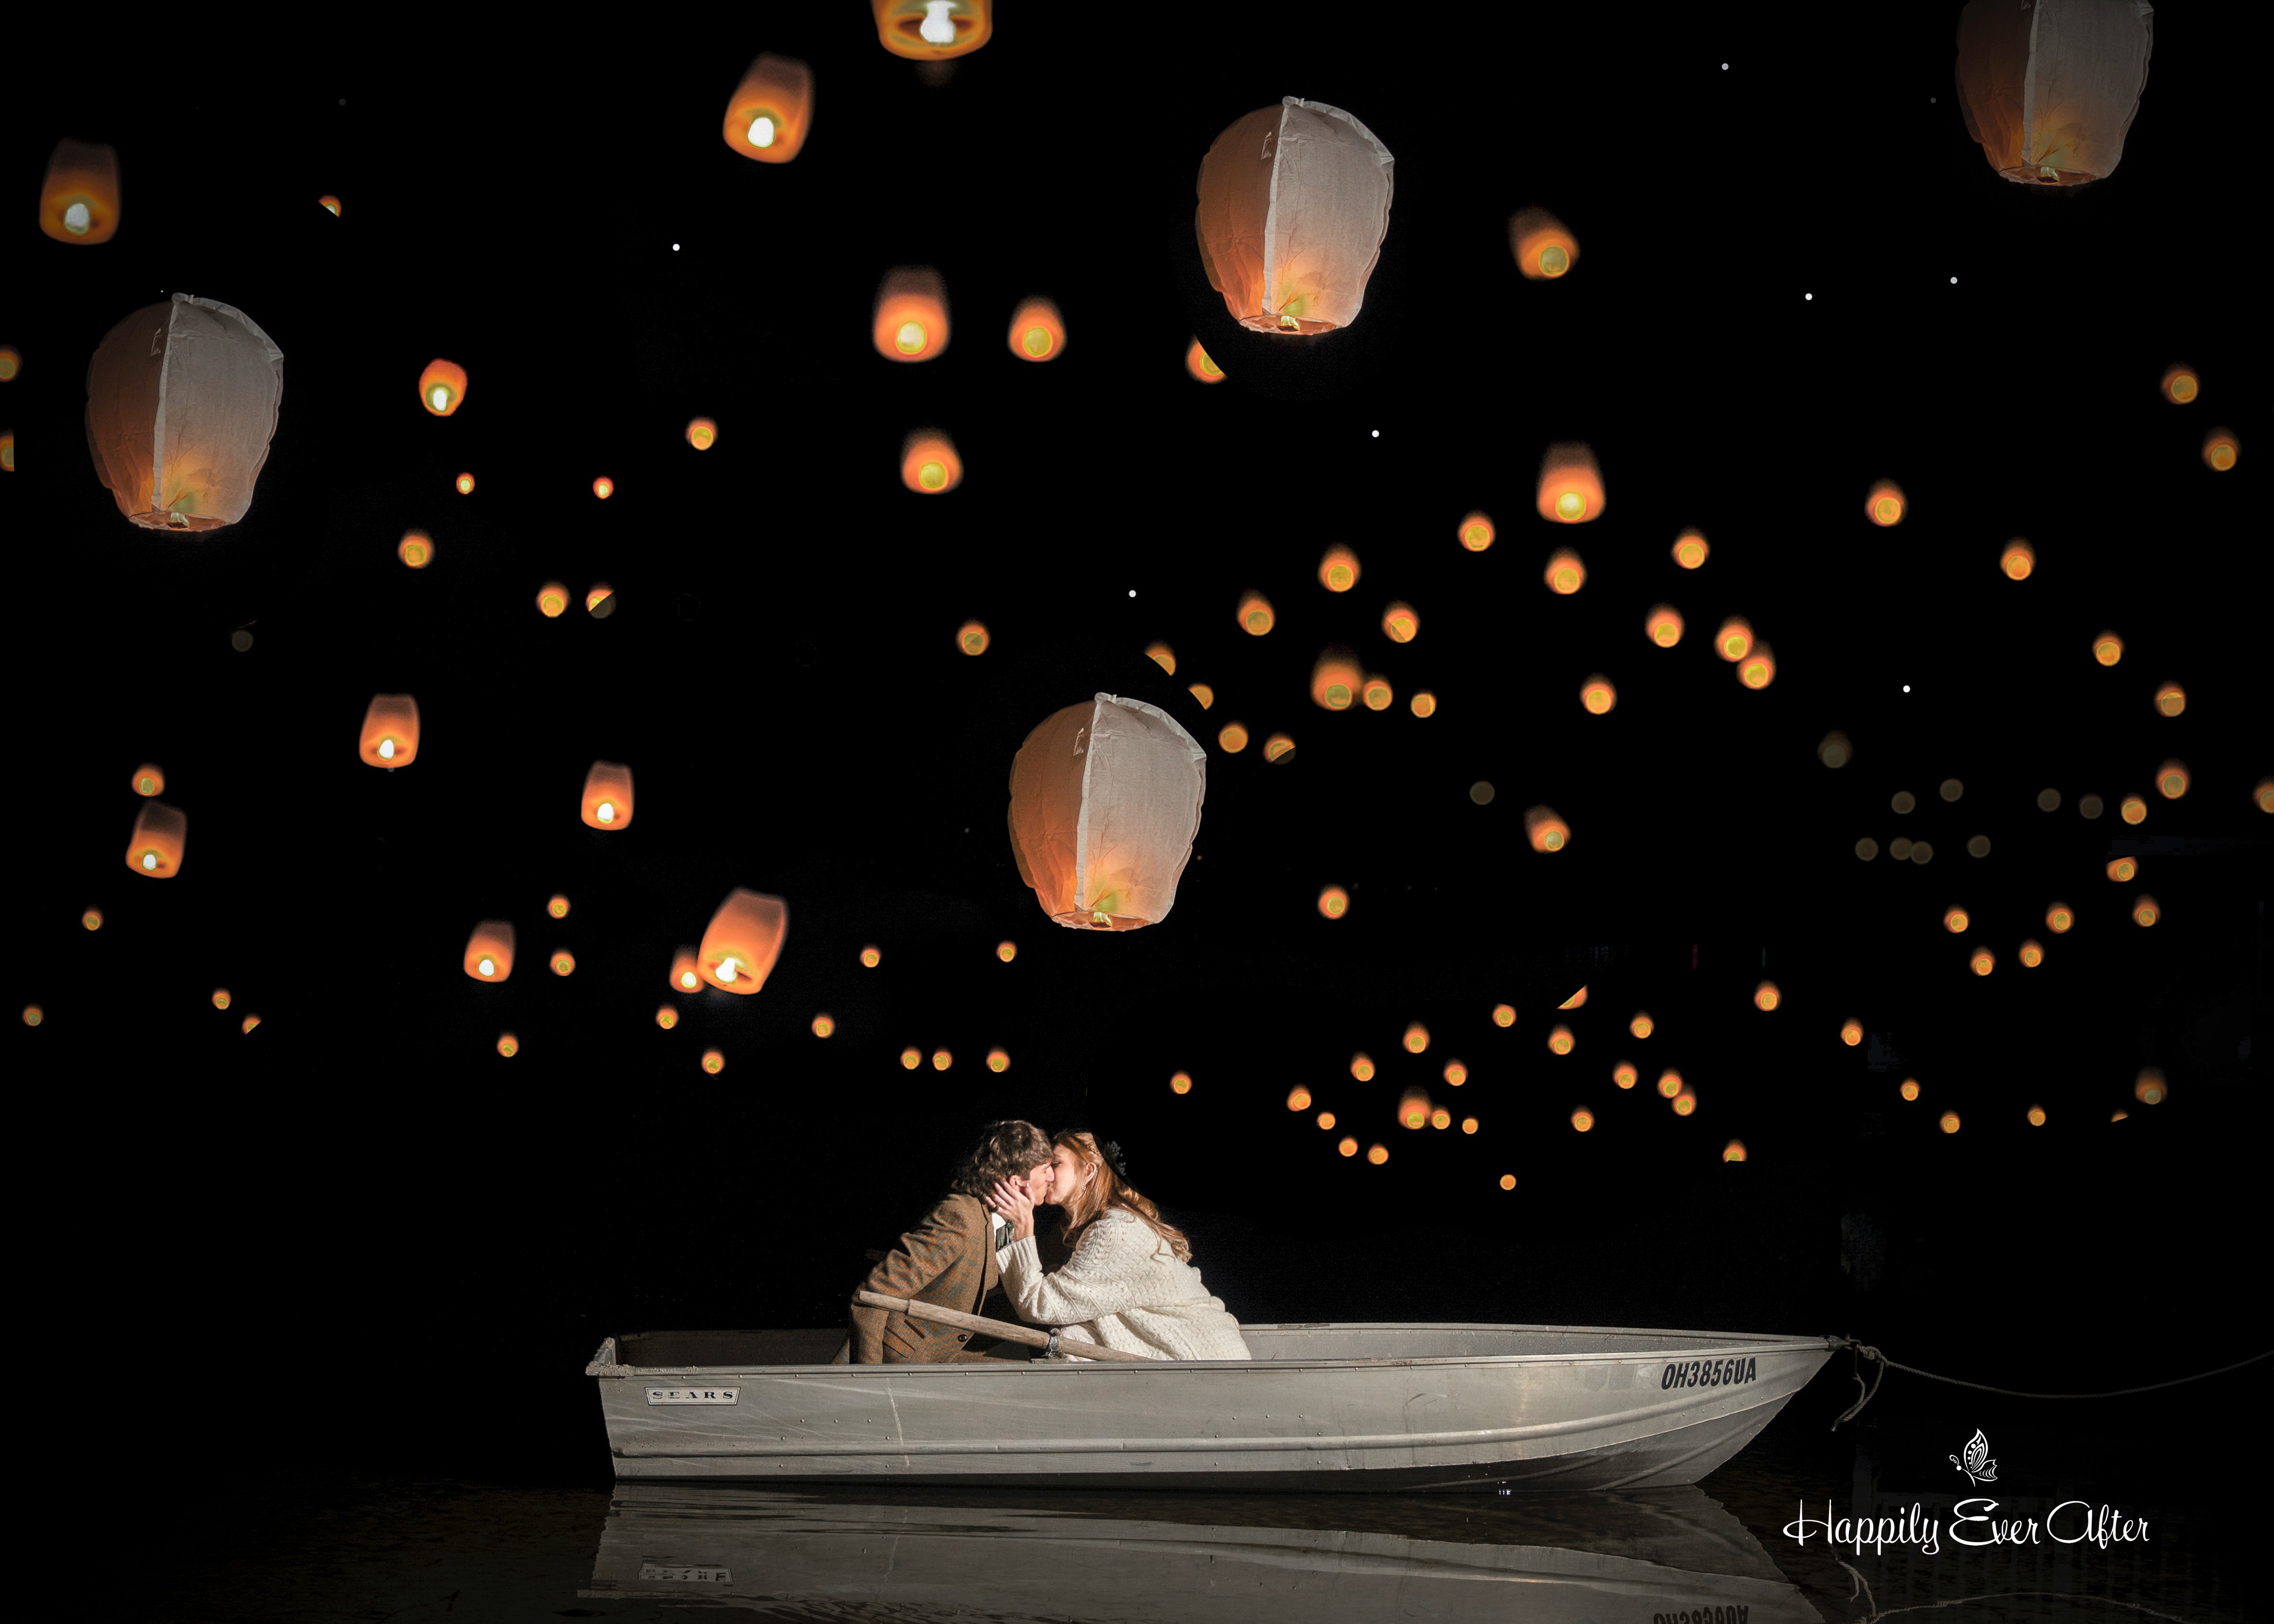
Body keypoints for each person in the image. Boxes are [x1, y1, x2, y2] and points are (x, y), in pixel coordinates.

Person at [984, 1130, 1252, 1361]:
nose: (1048, 1174)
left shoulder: (1115, 1232)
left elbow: (1039, 1304)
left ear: (1089, 1172)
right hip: (1198, 1361)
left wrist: (1022, 1226)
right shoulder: (1089, 1228)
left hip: (1204, 1361)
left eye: (1056, 1164)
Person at [837, 1119, 1057, 1363]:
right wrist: (869, 1374)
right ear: (1017, 1182)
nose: (1052, 1176)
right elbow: (875, 1292)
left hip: (946, 1345)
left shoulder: (1001, 1220)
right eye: (1045, 1168)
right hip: (905, 1357)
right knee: (1024, 1380)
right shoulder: (960, 1218)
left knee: (1036, 1371)